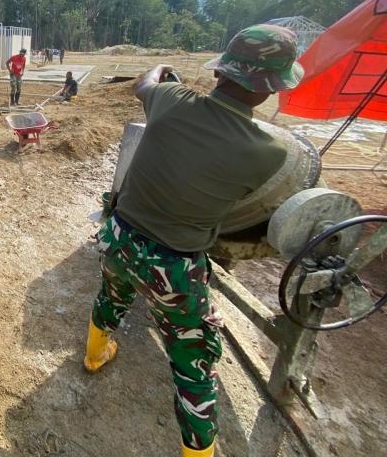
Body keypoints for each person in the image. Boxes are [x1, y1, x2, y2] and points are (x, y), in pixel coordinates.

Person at [83, 24, 304, 457]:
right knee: (193, 358)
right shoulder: (269, 153)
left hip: (118, 239)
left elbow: (145, 85)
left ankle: (94, 355)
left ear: (221, 71)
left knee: (112, 293)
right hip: (175, 269)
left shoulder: (168, 99)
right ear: (267, 90)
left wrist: (162, 67)